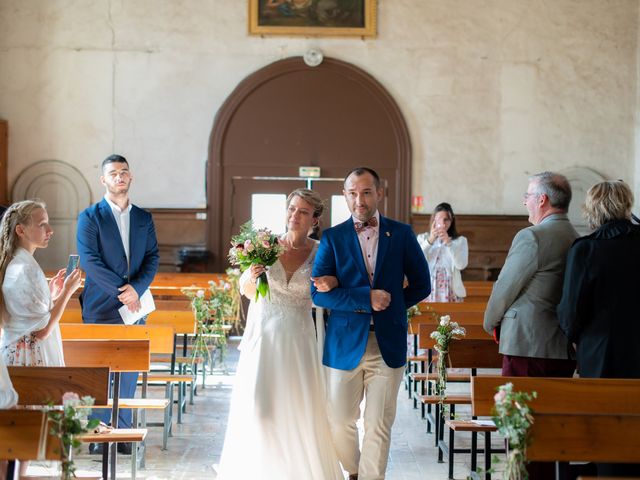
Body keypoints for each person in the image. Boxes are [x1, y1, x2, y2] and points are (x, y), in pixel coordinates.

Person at [311, 167, 431, 480]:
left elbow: (422, 284)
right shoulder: (332, 238)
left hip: (387, 344)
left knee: (379, 424)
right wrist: (367, 299)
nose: (359, 199)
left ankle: (370, 478)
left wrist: (391, 308)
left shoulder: (401, 234)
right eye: (352, 192)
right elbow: (318, 295)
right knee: (339, 421)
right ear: (344, 195)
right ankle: (354, 470)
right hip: (343, 343)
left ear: (379, 193)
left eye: (366, 192)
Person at [216, 188, 343, 479]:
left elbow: (330, 286)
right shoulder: (264, 244)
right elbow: (247, 292)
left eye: (302, 212)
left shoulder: (321, 250)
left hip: (298, 338)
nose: (294, 216)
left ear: (314, 219)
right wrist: (250, 276)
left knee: (297, 408)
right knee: (261, 406)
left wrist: (331, 281)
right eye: (291, 209)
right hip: (264, 336)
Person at [77, 155, 159, 455]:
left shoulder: (143, 218)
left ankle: (123, 432)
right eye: (113, 173)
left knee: (128, 371)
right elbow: (89, 260)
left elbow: (152, 258)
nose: (119, 177)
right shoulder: (90, 217)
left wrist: (136, 289)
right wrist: (120, 290)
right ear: (104, 180)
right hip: (101, 304)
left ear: (131, 178)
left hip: (135, 305)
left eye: (124, 172)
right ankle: (98, 434)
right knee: (101, 370)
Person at [557, 179, 640, 478]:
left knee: (607, 422)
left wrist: (575, 338)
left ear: (592, 207)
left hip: (601, 351)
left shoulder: (588, 249)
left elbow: (570, 311)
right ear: (626, 205)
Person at [0, 200, 81, 367]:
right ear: (21, 230)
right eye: (42, 225)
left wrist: (51, 294)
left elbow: (26, 312)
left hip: (17, 352)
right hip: (29, 356)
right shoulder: (27, 269)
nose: (50, 230)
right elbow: (44, 331)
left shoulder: (16, 263)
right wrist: (68, 290)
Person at [416, 202, 468, 302]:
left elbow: (461, 265)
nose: (443, 223)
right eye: (439, 218)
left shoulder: (461, 240)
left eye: (446, 219)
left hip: (450, 289)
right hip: (427, 287)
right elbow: (415, 261)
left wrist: (449, 243)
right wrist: (430, 240)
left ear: (451, 221)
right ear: (434, 219)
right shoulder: (422, 238)